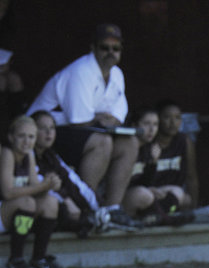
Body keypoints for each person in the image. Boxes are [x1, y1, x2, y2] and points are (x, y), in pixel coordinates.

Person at [27, 24, 138, 211]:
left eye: (116, 48)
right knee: (103, 141)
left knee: (130, 142)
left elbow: (118, 117)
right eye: (105, 47)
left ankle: (112, 210)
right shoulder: (82, 70)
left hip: (78, 130)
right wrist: (100, 118)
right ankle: (87, 206)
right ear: (93, 48)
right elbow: (79, 120)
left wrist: (99, 118)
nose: (111, 52)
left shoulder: (117, 74)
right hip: (43, 133)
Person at [0, 115, 65, 268]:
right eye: (21, 136)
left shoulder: (29, 155)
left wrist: (51, 185)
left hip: (13, 212)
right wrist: (41, 187)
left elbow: (35, 187)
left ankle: (39, 258)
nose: (26, 141)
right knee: (27, 202)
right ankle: (15, 260)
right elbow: (7, 192)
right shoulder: (7, 153)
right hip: (3, 210)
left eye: (31, 137)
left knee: (50, 202)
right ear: (11, 137)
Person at [32, 110, 105, 238]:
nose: (49, 133)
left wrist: (96, 206)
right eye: (42, 128)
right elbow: (39, 185)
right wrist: (65, 200)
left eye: (52, 128)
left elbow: (72, 181)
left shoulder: (51, 156)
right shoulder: (27, 156)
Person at [121, 106, 194, 227]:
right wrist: (148, 190)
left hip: (145, 194)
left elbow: (147, 181)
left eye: (155, 125)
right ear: (134, 125)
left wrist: (153, 162)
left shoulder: (151, 148)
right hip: (125, 198)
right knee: (143, 194)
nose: (151, 129)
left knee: (178, 192)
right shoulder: (126, 146)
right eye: (146, 124)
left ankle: (154, 217)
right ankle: (165, 219)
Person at [152, 99, 199, 209]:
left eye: (177, 118)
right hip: (150, 195)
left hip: (174, 196)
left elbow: (191, 177)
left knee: (187, 201)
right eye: (167, 117)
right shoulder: (149, 141)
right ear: (158, 119)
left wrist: (194, 208)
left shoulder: (184, 141)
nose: (173, 123)